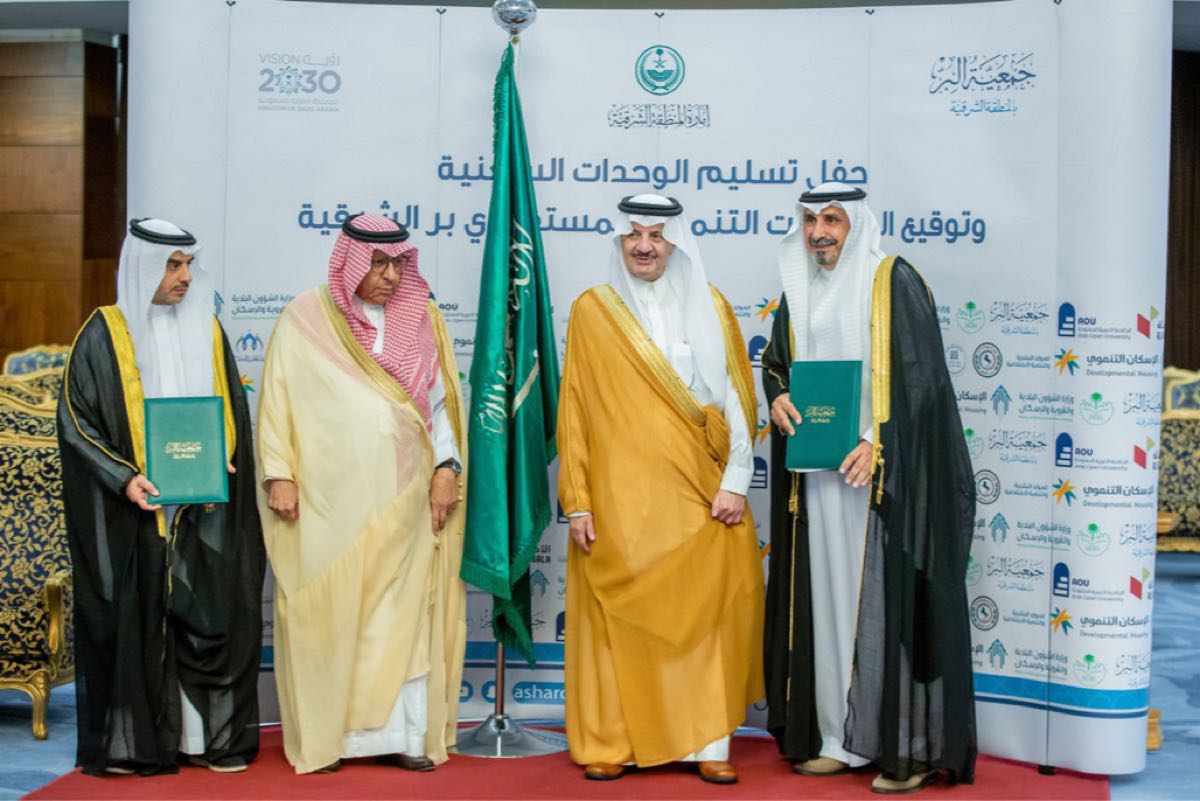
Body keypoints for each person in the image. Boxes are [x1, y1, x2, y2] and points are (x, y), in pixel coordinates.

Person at [761, 183, 977, 793]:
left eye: (832, 220)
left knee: (885, 607)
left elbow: (923, 382)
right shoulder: (800, 289)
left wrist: (876, 440)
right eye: (810, 221)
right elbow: (777, 363)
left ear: (855, 224)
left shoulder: (892, 280)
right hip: (817, 481)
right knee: (827, 606)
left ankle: (902, 749)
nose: (818, 233)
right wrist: (776, 396)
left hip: (881, 482)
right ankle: (838, 738)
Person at [557, 194, 764, 784]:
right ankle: (612, 742)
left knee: (704, 615)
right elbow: (574, 410)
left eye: (656, 235)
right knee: (617, 621)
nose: (644, 246)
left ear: (675, 243)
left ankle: (706, 741)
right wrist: (578, 500)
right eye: (633, 235)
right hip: (619, 499)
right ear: (619, 241)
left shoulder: (711, 304)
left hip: (700, 491)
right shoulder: (592, 311)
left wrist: (737, 482)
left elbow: (738, 400)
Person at [256, 213, 467, 775]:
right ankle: (333, 739)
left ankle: (402, 735)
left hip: (406, 500)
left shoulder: (422, 318)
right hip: (327, 505)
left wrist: (447, 468)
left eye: (398, 263)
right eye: (377, 263)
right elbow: (275, 399)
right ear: (349, 262)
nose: (390, 275)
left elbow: (440, 405)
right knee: (329, 614)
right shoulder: (304, 317)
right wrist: (279, 474)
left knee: (402, 616)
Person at [58, 218, 264, 776]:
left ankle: (204, 741)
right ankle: (137, 745)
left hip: (201, 509)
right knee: (139, 621)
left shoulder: (208, 329)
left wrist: (221, 457)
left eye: (189, 265)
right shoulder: (103, 333)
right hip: (134, 509)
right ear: (142, 267)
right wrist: (123, 477)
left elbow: (231, 412)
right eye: (173, 265)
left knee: (208, 614)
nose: (184, 277)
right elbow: (77, 423)